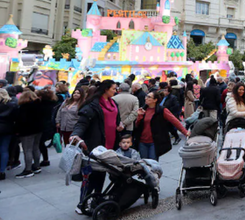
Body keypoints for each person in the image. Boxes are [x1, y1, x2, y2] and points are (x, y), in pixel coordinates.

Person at [70, 80, 123, 214]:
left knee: (101, 174)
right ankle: (82, 203)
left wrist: (119, 125)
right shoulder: (93, 105)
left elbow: (116, 119)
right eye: (113, 89)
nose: (115, 91)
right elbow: (82, 123)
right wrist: (76, 135)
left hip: (109, 146)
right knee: (91, 177)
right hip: (95, 145)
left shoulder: (113, 102)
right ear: (105, 89)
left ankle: (96, 199)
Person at [133, 91, 189, 160]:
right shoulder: (143, 110)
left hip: (154, 141)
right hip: (142, 141)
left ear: (155, 100)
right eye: (146, 96)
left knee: (153, 164)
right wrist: (139, 116)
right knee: (144, 163)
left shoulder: (162, 110)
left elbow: (175, 121)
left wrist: (185, 132)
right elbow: (137, 125)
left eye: (149, 97)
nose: (146, 98)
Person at [14, 90, 43, 178]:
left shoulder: (24, 107)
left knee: (27, 150)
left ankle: (28, 169)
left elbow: (21, 120)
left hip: (27, 131)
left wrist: (17, 130)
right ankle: (37, 165)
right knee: (36, 147)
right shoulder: (39, 105)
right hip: (38, 129)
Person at [36, 87, 58, 168]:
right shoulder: (54, 103)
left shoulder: (40, 105)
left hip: (43, 126)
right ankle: (45, 159)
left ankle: (43, 160)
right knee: (41, 143)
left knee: (39, 143)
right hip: (50, 125)